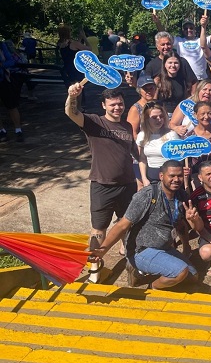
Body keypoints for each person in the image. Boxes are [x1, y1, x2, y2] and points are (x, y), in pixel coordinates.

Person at [66, 85, 138, 283]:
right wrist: (72, 97)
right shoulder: (94, 122)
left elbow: (134, 153)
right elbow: (71, 113)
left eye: (120, 103)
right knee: (98, 230)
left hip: (127, 185)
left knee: (126, 224)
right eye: (113, 104)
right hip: (102, 185)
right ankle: (95, 267)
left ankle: (131, 259)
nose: (117, 107)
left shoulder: (127, 126)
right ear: (103, 105)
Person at [90, 160, 198, 289]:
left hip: (165, 248)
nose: (176, 179)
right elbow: (122, 225)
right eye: (172, 176)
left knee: (193, 277)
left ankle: (144, 271)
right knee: (180, 273)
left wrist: (186, 247)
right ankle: (151, 287)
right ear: (161, 176)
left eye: (180, 176)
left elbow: (180, 224)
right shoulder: (147, 195)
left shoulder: (181, 196)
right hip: (141, 250)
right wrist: (102, 251)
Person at [137, 101, 178, 185]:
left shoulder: (172, 135)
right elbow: (142, 159)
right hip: (151, 176)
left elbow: (178, 158)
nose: (159, 119)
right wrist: (144, 178)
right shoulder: (142, 136)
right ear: (146, 119)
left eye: (161, 116)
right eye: (154, 117)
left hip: (170, 177)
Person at [0, 41, 25, 142]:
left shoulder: (1, 45)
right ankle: (2, 131)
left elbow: (11, 61)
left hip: (4, 80)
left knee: (12, 106)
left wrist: (1, 64)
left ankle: (18, 130)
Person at [126, 74, 159, 140]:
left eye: (151, 88)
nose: (149, 91)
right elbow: (132, 133)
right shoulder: (135, 109)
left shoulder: (159, 104)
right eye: (145, 89)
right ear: (139, 90)